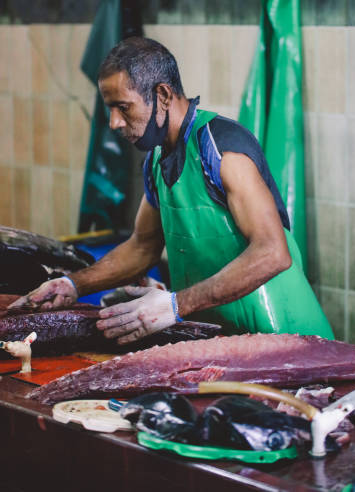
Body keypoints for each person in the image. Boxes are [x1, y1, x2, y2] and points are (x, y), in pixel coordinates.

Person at [10, 37, 334, 343]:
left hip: (286, 337)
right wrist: (72, 285)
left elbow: (272, 253)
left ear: (163, 95)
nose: (114, 123)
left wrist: (175, 305)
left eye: (123, 107)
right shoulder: (156, 160)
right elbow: (142, 247)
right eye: (110, 108)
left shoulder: (222, 151)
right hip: (222, 340)